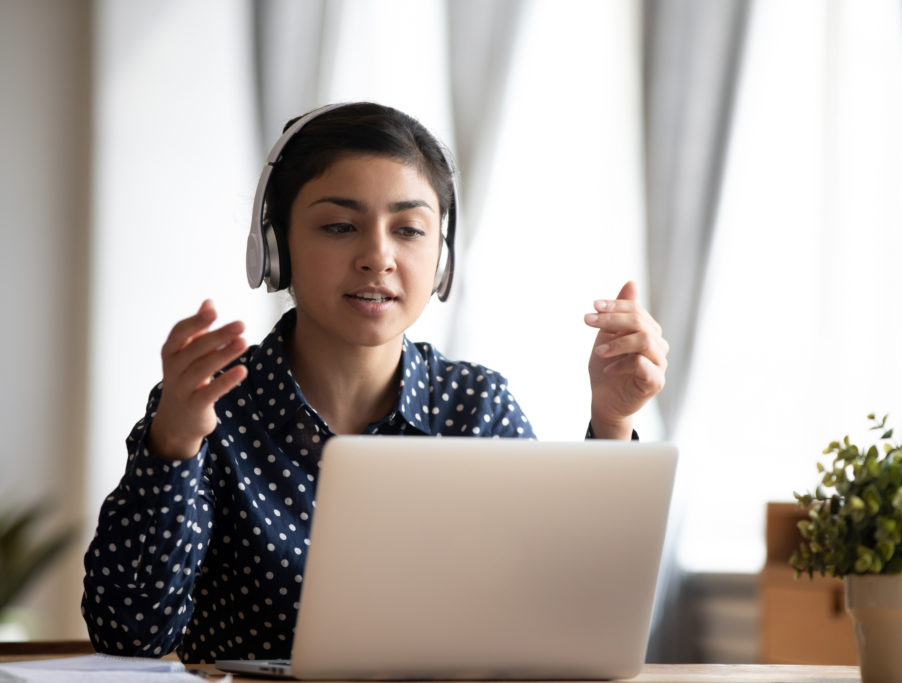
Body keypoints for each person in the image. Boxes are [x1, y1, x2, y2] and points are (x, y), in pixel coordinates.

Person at [81, 102, 669, 663]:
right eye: (340, 226)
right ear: (276, 246)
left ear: (441, 255)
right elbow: (130, 633)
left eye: (409, 230)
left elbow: (565, 615)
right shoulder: (209, 406)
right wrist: (175, 446)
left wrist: (613, 424)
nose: (378, 257)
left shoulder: (476, 408)